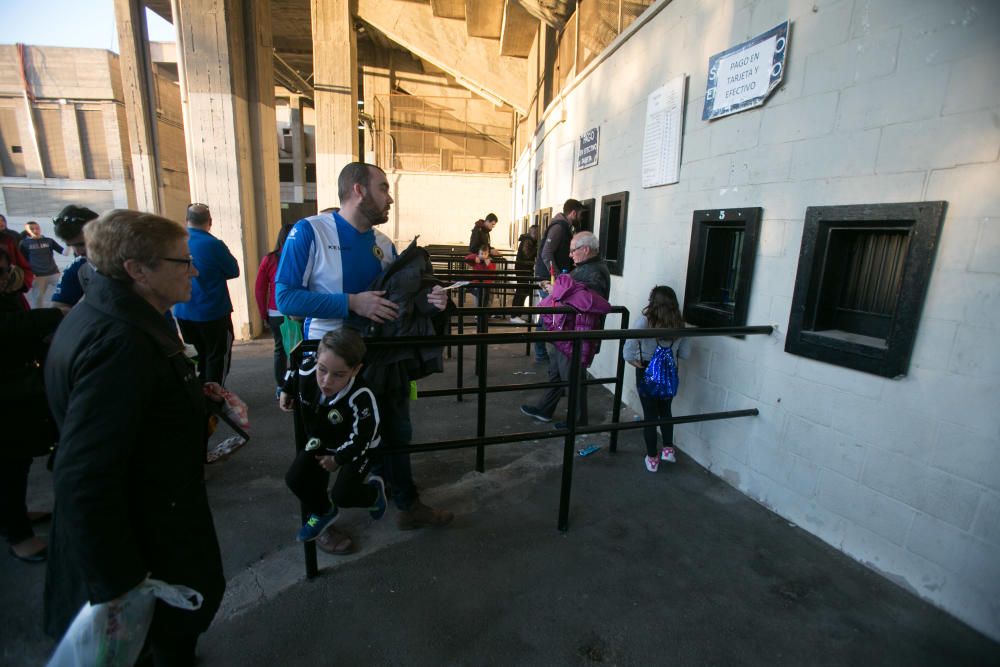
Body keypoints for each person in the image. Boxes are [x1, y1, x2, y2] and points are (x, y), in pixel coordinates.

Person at [43, 209, 225, 665]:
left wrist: (194, 396)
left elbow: (136, 410)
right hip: (144, 539)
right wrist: (122, 586)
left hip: (153, 519)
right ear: (137, 270)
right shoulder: (121, 342)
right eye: (183, 262)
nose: (195, 270)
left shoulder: (117, 313)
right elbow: (83, 473)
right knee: (157, 644)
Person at [276, 162, 453, 547]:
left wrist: (432, 299)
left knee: (396, 431)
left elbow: (397, 299)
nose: (389, 196)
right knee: (321, 443)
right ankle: (321, 519)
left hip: (382, 358)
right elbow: (285, 297)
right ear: (358, 190)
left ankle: (407, 504)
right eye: (383, 187)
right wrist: (351, 303)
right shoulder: (309, 232)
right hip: (330, 363)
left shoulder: (384, 244)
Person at [280, 328, 387, 552]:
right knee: (295, 478)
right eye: (322, 370)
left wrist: (338, 459)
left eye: (339, 375)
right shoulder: (309, 369)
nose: (326, 381)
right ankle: (323, 511)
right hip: (324, 437)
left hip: (359, 447)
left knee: (343, 494)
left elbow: (363, 438)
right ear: (317, 360)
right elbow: (294, 371)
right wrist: (285, 390)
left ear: (356, 369)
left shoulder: (362, 396)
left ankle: (374, 494)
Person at [0, 246, 61, 564]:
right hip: (7, 398)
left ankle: (15, 516)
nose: (5, 278)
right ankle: (18, 535)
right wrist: (53, 315)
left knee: (17, 463)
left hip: (16, 391)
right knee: (8, 465)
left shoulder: (6, 296)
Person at [521, 231, 610, 428]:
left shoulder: (595, 272)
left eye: (573, 251)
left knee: (572, 377)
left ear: (585, 249)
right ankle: (545, 409)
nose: (570, 255)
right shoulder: (588, 268)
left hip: (577, 335)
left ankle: (578, 420)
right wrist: (555, 289)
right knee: (557, 372)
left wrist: (555, 291)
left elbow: (587, 302)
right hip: (565, 331)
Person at [173, 203, 241, 385]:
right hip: (213, 312)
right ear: (209, 222)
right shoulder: (213, 245)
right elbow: (233, 271)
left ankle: (197, 391)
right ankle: (214, 396)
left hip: (184, 311)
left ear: (187, 221)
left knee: (195, 355)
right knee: (216, 356)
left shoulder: (175, 242)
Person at [623, 285, 686, 473]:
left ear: (653, 301)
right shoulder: (680, 324)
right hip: (669, 372)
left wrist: (638, 365)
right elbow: (686, 353)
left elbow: (628, 351)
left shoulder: (645, 321)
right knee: (666, 410)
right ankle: (668, 449)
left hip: (646, 370)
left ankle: (652, 458)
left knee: (650, 416)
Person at [533, 199, 583, 362]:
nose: (581, 217)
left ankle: (543, 351)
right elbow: (546, 253)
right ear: (573, 213)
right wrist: (556, 279)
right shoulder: (559, 228)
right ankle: (541, 353)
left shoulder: (562, 227)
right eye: (580, 214)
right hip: (548, 279)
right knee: (548, 315)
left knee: (547, 314)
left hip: (549, 277)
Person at [255, 224, 293, 394]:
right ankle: (297, 384)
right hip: (297, 311)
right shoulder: (300, 256)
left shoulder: (269, 259)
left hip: (276, 312)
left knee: (280, 349)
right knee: (298, 348)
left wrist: (263, 313)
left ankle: (281, 386)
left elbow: (260, 289)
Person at [50, 205, 99, 313]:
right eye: (71, 245)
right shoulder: (79, 266)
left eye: (82, 244)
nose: (78, 252)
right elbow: (59, 308)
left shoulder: (134, 256)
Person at [19, 221, 64, 308]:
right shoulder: (24, 243)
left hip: (54, 272)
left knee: (63, 293)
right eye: (32, 229)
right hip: (38, 275)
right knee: (38, 298)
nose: (35, 230)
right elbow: (23, 261)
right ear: (27, 231)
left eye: (37, 228)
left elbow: (63, 252)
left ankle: (58, 312)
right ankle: (37, 317)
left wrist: (69, 241)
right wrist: (29, 274)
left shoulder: (49, 240)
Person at [510, 224, 538, 323]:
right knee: (521, 292)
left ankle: (516, 314)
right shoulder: (527, 241)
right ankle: (514, 316)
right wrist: (538, 248)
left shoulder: (528, 240)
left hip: (523, 270)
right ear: (533, 233)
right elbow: (528, 254)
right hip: (523, 270)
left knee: (522, 291)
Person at [463, 244, 497, 309]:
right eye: (481, 253)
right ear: (478, 253)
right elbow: (466, 258)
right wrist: (475, 257)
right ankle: (477, 312)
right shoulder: (476, 259)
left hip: (487, 282)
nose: (483, 255)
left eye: (485, 254)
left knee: (487, 298)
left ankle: (485, 313)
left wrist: (488, 264)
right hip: (477, 282)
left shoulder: (490, 260)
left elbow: (493, 271)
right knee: (478, 296)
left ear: (488, 254)